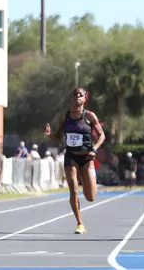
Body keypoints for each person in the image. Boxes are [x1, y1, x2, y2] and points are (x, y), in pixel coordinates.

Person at [44, 87, 105, 234]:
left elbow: (102, 136)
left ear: (85, 99)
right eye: (74, 95)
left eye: (80, 95)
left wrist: (94, 149)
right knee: (73, 190)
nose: (77, 96)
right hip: (71, 156)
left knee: (90, 197)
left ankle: (89, 181)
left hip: (87, 157)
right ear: (71, 99)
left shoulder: (90, 116)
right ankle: (80, 223)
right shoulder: (64, 117)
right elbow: (59, 138)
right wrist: (50, 135)